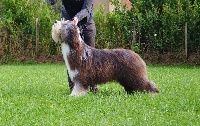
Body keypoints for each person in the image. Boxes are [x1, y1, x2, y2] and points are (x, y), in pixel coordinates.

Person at [50, 0, 98, 92]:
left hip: (86, 23)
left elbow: (87, 9)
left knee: (90, 58)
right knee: (70, 56)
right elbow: (52, 2)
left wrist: (77, 17)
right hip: (67, 25)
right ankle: (73, 86)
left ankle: (92, 86)